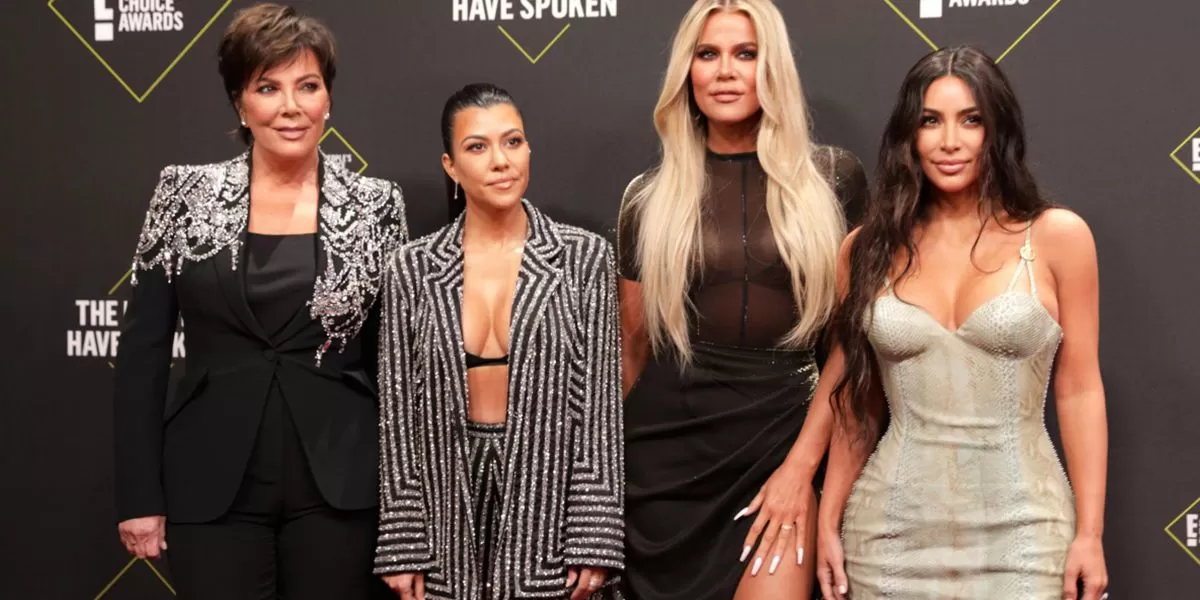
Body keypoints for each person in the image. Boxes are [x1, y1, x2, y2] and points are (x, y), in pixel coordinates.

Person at [112, 4, 406, 598]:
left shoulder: (377, 205)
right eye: (267, 87)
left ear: (328, 99)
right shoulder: (182, 196)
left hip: (342, 486)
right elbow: (142, 355)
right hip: (209, 483)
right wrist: (139, 495)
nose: (290, 106)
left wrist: (406, 514)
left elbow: (395, 368)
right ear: (240, 102)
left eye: (308, 85)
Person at [815, 45, 1109, 600]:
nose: (950, 141)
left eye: (970, 120)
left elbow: (1079, 391)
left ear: (996, 131)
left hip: (1026, 532)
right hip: (888, 534)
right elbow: (858, 399)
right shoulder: (866, 251)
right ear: (909, 135)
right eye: (931, 121)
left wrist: (1089, 534)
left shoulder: (1057, 238)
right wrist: (829, 519)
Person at [615, 0, 867, 597]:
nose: (725, 70)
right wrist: (591, 488)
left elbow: (849, 349)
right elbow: (631, 351)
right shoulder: (646, 199)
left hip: (781, 448)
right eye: (708, 54)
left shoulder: (834, 180)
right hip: (663, 469)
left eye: (745, 54)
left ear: (772, 67)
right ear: (687, 72)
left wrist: (801, 467)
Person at [373, 83, 624, 600]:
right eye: (477, 147)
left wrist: (594, 535)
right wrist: (403, 540)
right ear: (450, 166)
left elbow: (600, 406)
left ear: (529, 149)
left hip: (550, 500)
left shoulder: (584, 258)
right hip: (445, 506)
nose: (500, 161)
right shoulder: (412, 268)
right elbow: (398, 413)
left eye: (512, 142)